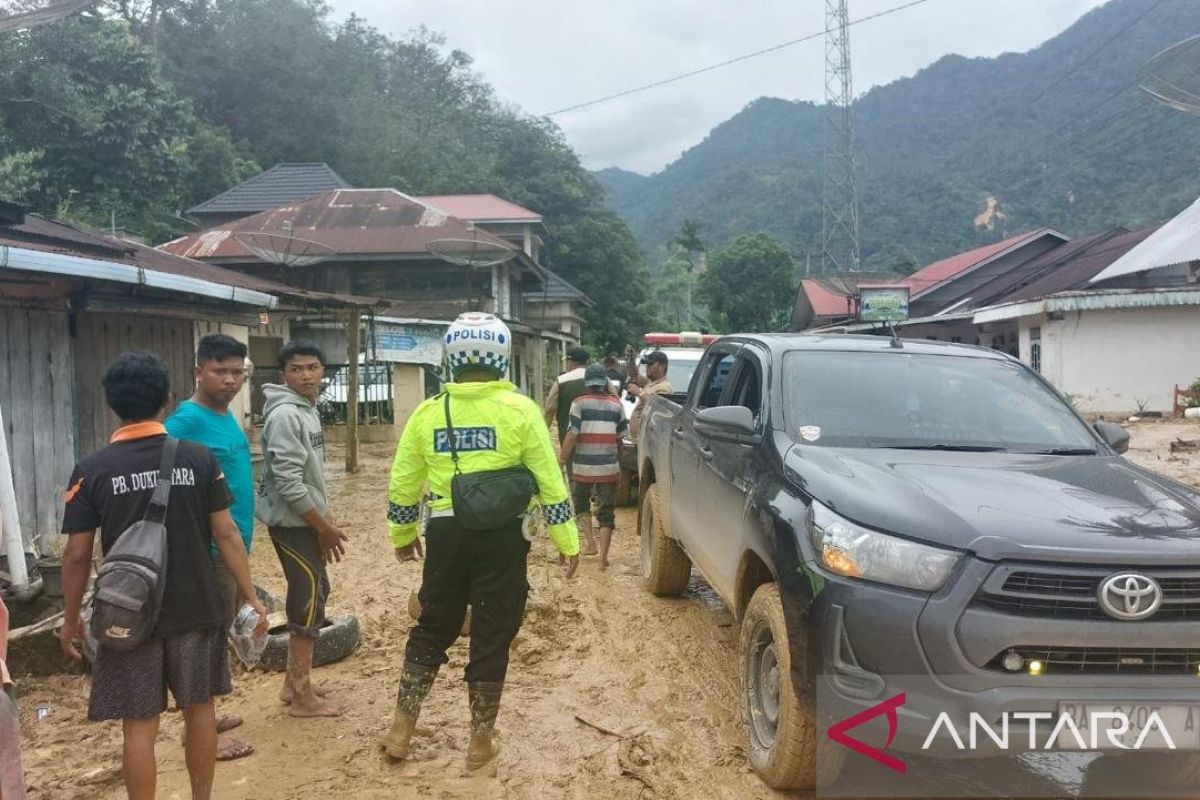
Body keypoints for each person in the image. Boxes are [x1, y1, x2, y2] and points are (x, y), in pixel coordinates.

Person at [58, 351, 267, 800]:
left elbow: (76, 556)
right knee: (200, 710)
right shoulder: (198, 459)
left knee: (139, 725)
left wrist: (70, 616)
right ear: (167, 397)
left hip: (128, 615)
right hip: (195, 606)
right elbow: (226, 533)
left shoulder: (91, 470)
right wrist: (250, 595)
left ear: (112, 402)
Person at [381, 312, 580, 773]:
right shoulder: (522, 411)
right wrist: (568, 539)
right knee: (491, 636)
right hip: (504, 538)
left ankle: (400, 729)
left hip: (446, 534)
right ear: (502, 358)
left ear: (451, 359)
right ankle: (479, 743)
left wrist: (403, 534)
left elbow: (404, 481)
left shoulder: (428, 412)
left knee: (432, 626)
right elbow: (551, 482)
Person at [165, 334, 255, 761]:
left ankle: (205, 717)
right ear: (198, 371)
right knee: (204, 643)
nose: (230, 380)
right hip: (209, 552)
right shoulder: (184, 422)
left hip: (233, 545)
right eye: (220, 371)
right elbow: (157, 467)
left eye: (237, 372)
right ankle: (197, 733)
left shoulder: (225, 415)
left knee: (217, 638)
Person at [257, 341, 347, 718]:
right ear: (285, 375)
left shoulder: (307, 410)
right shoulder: (285, 416)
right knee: (308, 596)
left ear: (323, 371)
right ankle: (302, 697)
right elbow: (290, 482)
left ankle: (293, 684)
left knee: (315, 589)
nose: (307, 375)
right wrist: (322, 527)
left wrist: (325, 520)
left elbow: (309, 477)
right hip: (290, 522)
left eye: (312, 367)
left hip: (304, 519)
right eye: (297, 369)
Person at [558, 364, 629, 571]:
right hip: (609, 468)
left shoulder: (579, 403)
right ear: (605, 382)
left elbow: (572, 435)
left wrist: (561, 460)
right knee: (607, 513)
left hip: (583, 467)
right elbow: (621, 439)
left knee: (580, 504)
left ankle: (590, 543)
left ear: (587, 383)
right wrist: (618, 461)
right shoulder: (617, 405)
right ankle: (603, 559)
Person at [542, 346, 590, 444]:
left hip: (569, 440)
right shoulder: (603, 380)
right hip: (600, 442)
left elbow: (550, 409)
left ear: (570, 361)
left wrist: (542, 433)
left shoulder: (561, 381)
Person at [627, 350, 673, 441]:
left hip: (650, 440)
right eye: (647, 365)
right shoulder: (650, 383)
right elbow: (634, 375)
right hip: (640, 439)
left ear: (662, 367)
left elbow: (657, 407)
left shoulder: (664, 387)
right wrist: (631, 359)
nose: (647, 368)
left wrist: (639, 393)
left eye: (651, 365)